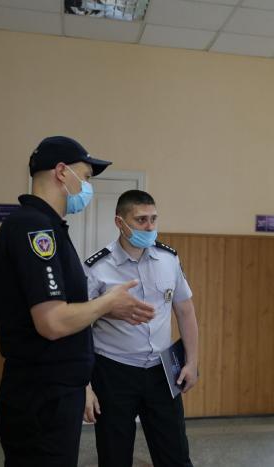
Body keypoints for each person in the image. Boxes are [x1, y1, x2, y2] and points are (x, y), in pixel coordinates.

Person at [0, 136, 155, 467]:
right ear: (62, 172)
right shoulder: (35, 228)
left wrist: (81, 383)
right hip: (41, 396)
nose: (87, 187)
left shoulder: (49, 227)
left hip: (54, 391)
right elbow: (52, 322)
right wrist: (107, 303)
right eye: (86, 176)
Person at [83, 189, 199, 467]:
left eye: (153, 219)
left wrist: (192, 362)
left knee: (175, 456)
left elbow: (185, 311)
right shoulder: (97, 267)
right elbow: (78, 326)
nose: (149, 227)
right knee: (114, 457)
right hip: (113, 372)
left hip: (162, 371)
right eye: (141, 220)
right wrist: (85, 386)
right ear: (120, 222)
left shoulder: (168, 259)